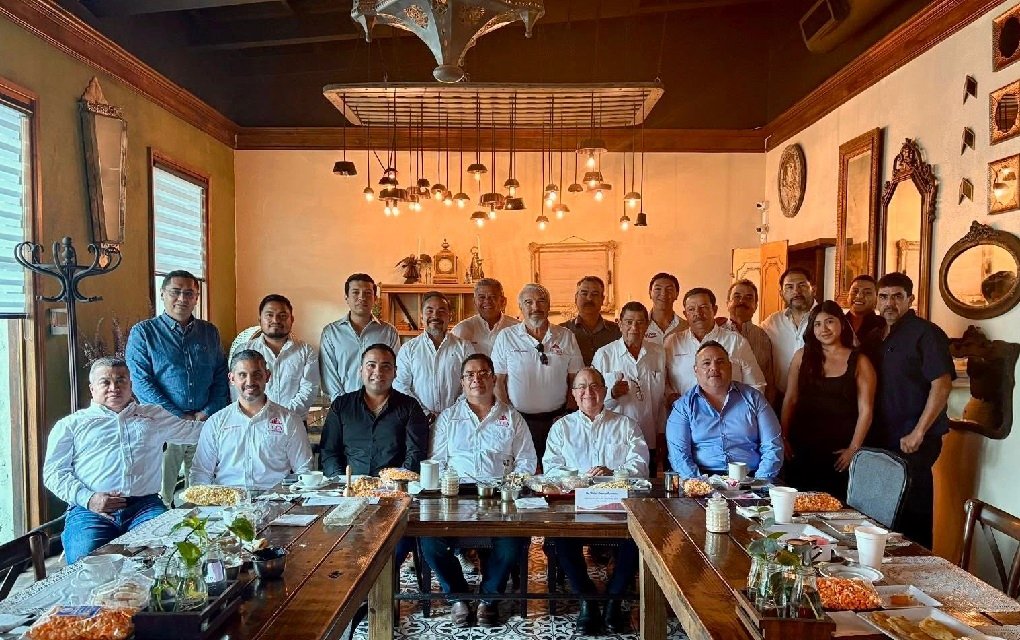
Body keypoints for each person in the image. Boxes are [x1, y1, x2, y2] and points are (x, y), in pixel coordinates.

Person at [43, 358, 204, 563]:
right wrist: (88, 499)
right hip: (90, 512)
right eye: (105, 382)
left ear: (131, 385)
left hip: (145, 507)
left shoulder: (153, 416)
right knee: (86, 565)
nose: (114, 388)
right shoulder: (71, 425)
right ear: (92, 389)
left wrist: (236, 415)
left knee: (172, 555)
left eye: (121, 380)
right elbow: (53, 473)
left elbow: (196, 432)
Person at [425, 354, 537, 627]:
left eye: (484, 373)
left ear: (494, 378)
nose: (477, 379)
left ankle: (489, 598)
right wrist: (446, 488)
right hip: (455, 495)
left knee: (511, 542)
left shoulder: (512, 417)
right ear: (462, 381)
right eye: (470, 375)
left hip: (501, 496)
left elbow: (526, 461)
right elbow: (437, 461)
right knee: (428, 540)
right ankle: (458, 596)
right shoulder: (449, 418)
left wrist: (512, 486)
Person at [544, 367, 648, 634]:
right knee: (558, 536)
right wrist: (578, 478)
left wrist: (613, 472)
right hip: (574, 506)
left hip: (617, 506)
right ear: (573, 394)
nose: (587, 392)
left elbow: (640, 465)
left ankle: (614, 599)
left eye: (594, 386)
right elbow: (551, 469)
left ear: (604, 390)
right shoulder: (561, 428)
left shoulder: (626, 425)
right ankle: (587, 599)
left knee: (638, 536)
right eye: (581, 387)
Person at [125, 270, 229, 506]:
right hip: (163, 426)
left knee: (202, 493)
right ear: (162, 294)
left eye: (189, 293)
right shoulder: (144, 333)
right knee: (162, 495)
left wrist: (207, 412)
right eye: (176, 292)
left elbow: (221, 376)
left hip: (203, 424)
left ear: (196, 298)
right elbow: (141, 382)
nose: (182, 298)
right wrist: (176, 416)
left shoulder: (209, 332)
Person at [869, 272, 954, 548]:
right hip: (882, 438)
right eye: (884, 297)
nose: (889, 303)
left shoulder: (926, 333)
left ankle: (919, 567)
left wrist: (919, 431)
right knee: (883, 513)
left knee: (912, 514)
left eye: (897, 296)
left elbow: (942, 384)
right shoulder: (876, 335)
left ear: (910, 299)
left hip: (914, 439)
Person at [781, 301, 876, 502]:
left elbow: (866, 410)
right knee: (798, 505)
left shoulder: (860, 361)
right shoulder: (801, 356)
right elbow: (790, 398)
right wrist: (783, 438)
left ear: (841, 323)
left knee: (836, 507)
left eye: (830, 321)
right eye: (817, 324)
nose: (823, 329)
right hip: (801, 448)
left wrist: (853, 448)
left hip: (839, 452)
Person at [190, 350, 313, 490]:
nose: (250, 382)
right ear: (232, 378)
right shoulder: (216, 422)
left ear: (267, 376)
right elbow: (200, 473)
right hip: (228, 501)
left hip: (275, 499)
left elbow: (304, 471)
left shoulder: (289, 420)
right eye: (242, 375)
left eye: (257, 374)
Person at [491, 283, 583, 463]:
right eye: (529, 302)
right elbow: (498, 382)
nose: (535, 307)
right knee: (524, 469)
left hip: (557, 420)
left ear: (549, 306)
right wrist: (510, 415)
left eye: (541, 301)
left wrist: (567, 414)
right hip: (519, 421)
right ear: (520, 307)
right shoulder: (506, 337)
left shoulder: (566, 336)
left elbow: (576, 379)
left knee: (558, 469)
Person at [666, 341, 783, 481]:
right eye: (706, 363)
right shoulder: (683, 406)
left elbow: (773, 446)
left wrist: (760, 483)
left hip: (750, 478)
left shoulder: (754, 398)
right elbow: (679, 456)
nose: (714, 368)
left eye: (720, 362)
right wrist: (699, 485)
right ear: (695, 370)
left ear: (730, 367)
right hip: (702, 479)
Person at [319, 344, 429, 477]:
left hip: (394, 486)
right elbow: (329, 452)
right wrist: (342, 481)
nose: (378, 372)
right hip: (348, 485)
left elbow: (416, 454)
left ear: (395, 372)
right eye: (371, 365)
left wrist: (397, 482)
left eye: (385, 366)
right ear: (361, 370)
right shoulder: (341, 405)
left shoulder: (410, 407)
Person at [592, 301, 668, 474]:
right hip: (615, 440)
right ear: (620, 324)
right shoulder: (604, 355)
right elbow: (592, 400)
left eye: (640, 322)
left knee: (646, 484)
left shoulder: (658, 353)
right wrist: (612, 393)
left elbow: (662, 398)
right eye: (629, 322)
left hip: (649, 435)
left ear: (647, 325)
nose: (634, 327)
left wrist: (661, 433)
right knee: (617, 484)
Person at [665, 288, 765, 396]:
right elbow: (663, 382)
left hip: (731, 406)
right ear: (685, 314)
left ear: (715, 310)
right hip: (683, 406)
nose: (697, 313)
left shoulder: (736, 341)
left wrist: (740, 406)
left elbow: (756, 385)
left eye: (703, 307)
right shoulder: (672, 342)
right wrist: (671, 397)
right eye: (691, 309)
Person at [236, 294, 320, 421]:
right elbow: (237, 389)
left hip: (294, 422)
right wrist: (260, 415)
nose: (275, 320)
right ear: (259, 320)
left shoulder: (306, 351)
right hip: (254, 421)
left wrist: (281, 417)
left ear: (292, 319)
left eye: (282, 316)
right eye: (269, 315)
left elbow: (309, 390)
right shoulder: (243, 350)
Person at [394, 291, 475, 421]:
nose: (435, 316)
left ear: (450, 316)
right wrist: (424, 413)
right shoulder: (408, 349)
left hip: (456, 420)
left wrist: (450, 414)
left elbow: (471, 383)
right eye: (429, 311)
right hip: (417, 420)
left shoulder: (465, 347)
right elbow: (401, 386)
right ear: (421, 317)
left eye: (441, 311)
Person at [319, 273, 400, 402]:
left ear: (375, 298)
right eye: (355, 292)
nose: (362, 297)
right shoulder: (331, 333)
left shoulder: (389, 332)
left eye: (367, 293)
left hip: (381, 406)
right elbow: (328, 375)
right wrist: (344, 405)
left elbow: (394, 372)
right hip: (342, 406)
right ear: (346, 297)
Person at [763, 268, 817, 403]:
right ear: (781, 293)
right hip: (780, 398)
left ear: (813, 289)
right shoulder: (772, 322)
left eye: (802, 285)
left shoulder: (829, 318)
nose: (796, 291)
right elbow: (750, 338)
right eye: (789, 287)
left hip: (819, 400)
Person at [719, 279, 777, 403]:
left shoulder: (764, 337)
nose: (742, 301)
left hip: (755, 404)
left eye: (749, 298)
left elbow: (769, 380)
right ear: (728, 303)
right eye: (737, 296)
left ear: (755, 306)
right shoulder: (716, 333)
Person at [559, 276, 621, 366]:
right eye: (584, 293)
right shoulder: (561, 332)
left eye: (595, 294)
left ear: (602, 299)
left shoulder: (617, 332)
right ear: (576, 298)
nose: (589, 298)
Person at [451, 278, 519, 357]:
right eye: (482, 297)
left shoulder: (517, 328)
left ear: (503, 301)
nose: (487, 301)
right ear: (474, 302)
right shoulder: (461, 329)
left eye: (492, 297)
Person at [644, 272, 688, 345]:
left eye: (669, 289)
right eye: (658, 289)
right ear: (650, 293)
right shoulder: (640, 326)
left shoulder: (686, 327)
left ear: (677, 294)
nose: (663, 294)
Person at [846, 275, 885, 341]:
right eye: (855, 291)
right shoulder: (837, 322)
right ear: (848, 295)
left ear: (877, 298)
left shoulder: (883, 326)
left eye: (867, 293)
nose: (859, 296)